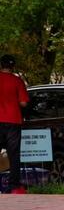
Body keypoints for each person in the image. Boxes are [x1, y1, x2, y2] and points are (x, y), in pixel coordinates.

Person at [0, 54, 29, 194]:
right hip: (13, 121)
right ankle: (14, 185)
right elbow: (23, 103)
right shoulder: (17, 81)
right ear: (13, 66)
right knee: (14, 154)